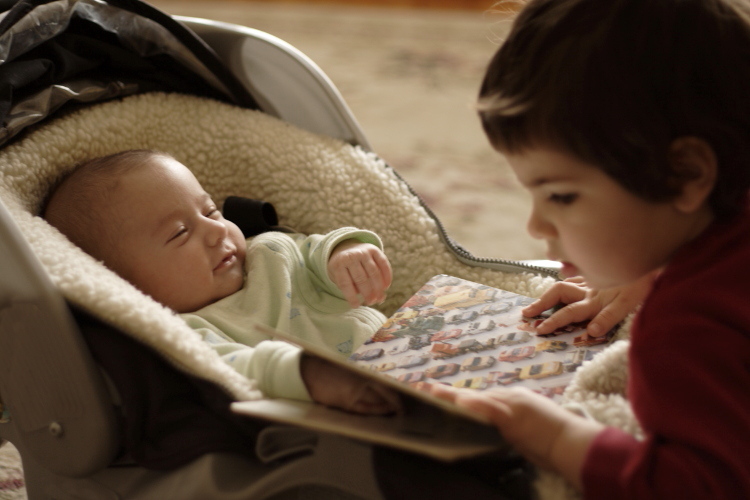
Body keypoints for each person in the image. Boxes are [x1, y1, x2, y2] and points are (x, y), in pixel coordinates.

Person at [433, 0, 750, 498]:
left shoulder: (684, 327)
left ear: (687, 173)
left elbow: (701, 485)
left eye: (561, 195)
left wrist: (557, 437)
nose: (536, 225)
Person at [44, 149, 398, 415]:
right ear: (120, 283)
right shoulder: (183, 332)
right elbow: (235, 369)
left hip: (404, 356)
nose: (216, 229)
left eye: (210, 210)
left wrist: (345, 254)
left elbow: (314, 253)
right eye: (181, 233)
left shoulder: (268, 254)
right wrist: (310, 377)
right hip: (352, 413)